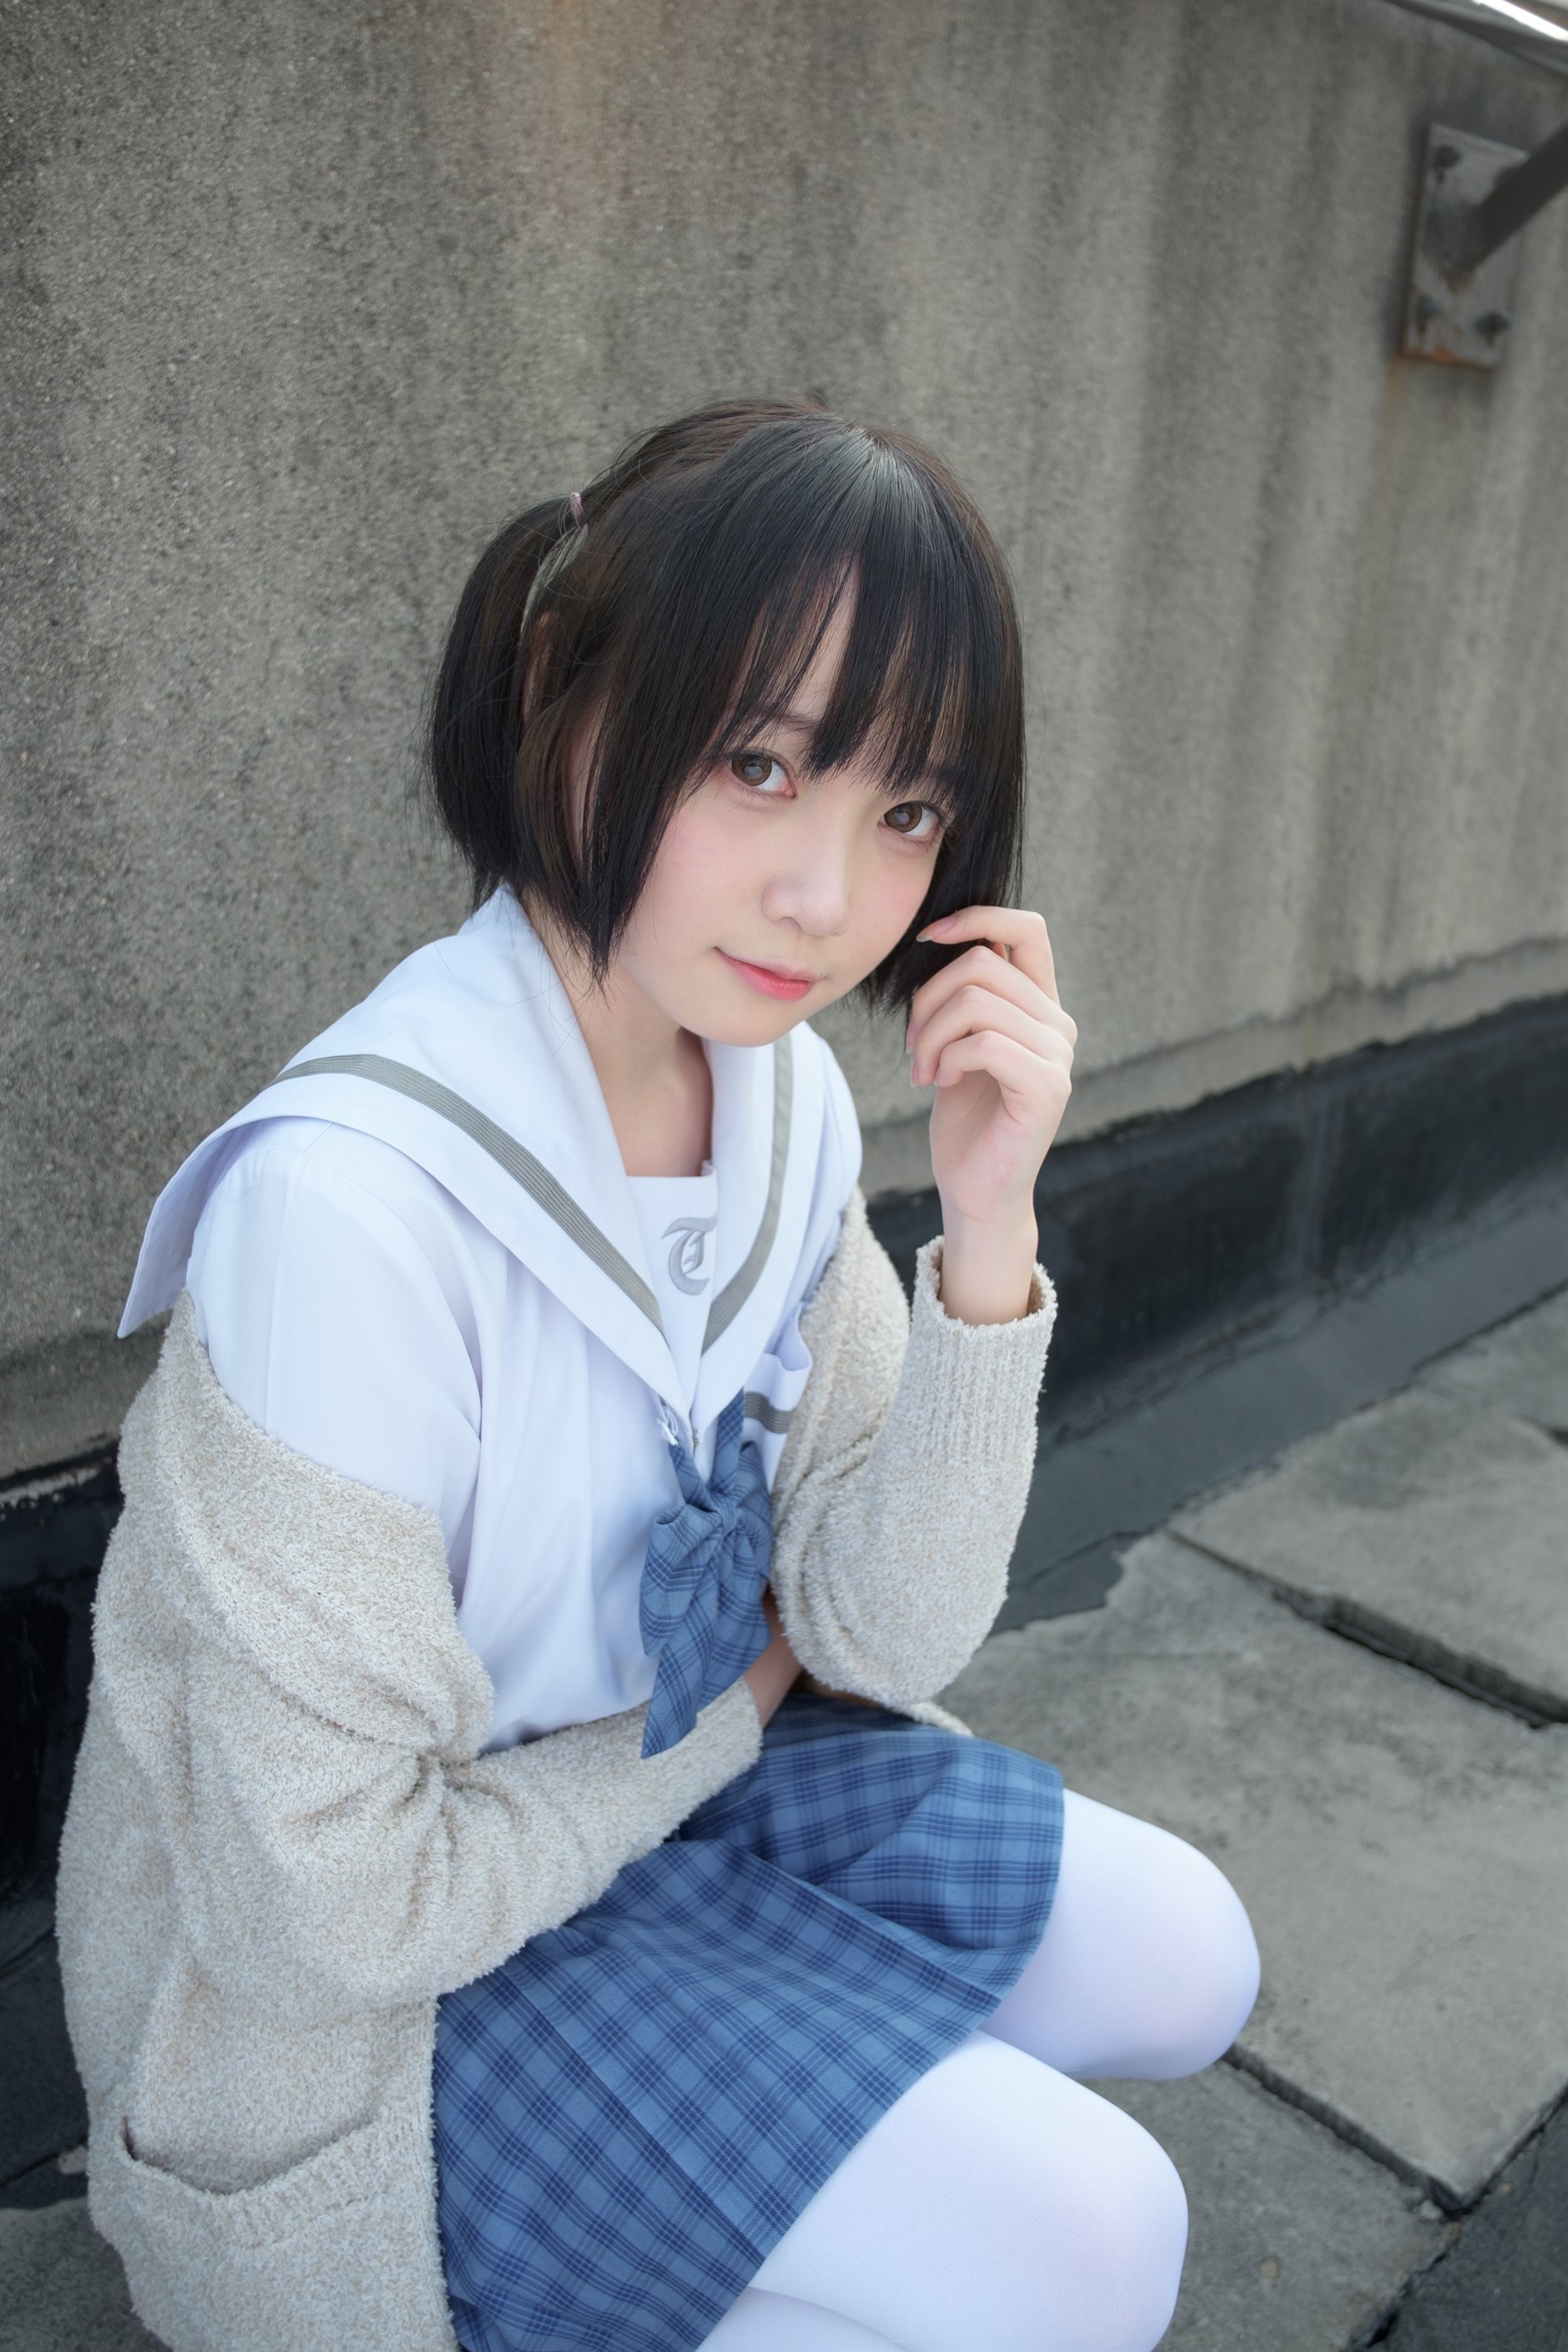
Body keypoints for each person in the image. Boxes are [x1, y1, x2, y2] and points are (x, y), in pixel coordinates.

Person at [57, 398, 1258, 2352]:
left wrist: (985, 1236)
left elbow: (882, 1632)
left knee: (1191, 1960)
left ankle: (783, 2159)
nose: (828, 896)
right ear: (559, 689)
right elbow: (326, 1917)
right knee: (1087, 2247)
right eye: (758, 763)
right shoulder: (348, 1213)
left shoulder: (772, 1100)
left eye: (906, 811)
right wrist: (731, 1708)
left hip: (642, 1813)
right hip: (379, 2007)